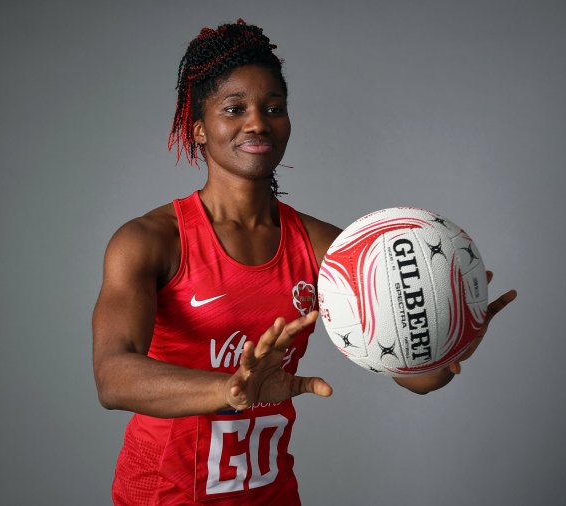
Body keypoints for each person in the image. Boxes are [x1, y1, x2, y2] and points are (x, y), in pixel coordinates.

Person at [92, 19, 516, 506]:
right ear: (199, 130)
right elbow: (113, 376)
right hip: (164, 497)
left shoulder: (324, 247)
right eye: (235, 109)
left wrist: (450, 339)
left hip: (273, 495)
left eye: (274, 108)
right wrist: (233, 390)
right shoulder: (150, 241)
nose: (257, 122)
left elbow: (416, 377)